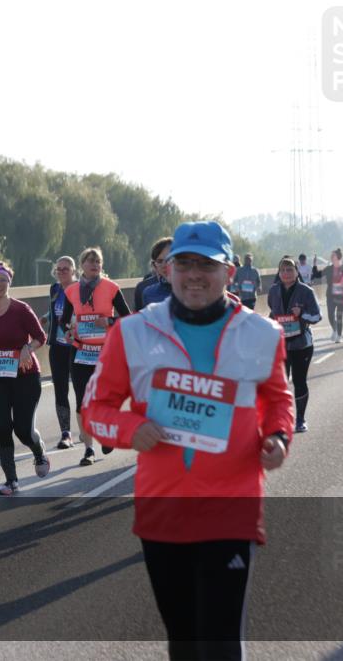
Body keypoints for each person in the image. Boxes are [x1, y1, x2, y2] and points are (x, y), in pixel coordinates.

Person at [82, 221, 293, 660]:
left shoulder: (262, 334)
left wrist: (277, 436)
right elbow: (93, 412)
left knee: (219, 640)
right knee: (183, 639)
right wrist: (129, 430)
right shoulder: (133, 333)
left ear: (229, 273)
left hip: (231, 507)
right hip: (163, 510)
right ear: (168, 270)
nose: (195, 274)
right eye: (185, 263)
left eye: (207, 264)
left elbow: (278, 397)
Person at [0, 261, 50, 496]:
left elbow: (40, 336)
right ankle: (11, 481)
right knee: (2, 426)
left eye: (3, 279)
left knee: (24, 430)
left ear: (9, 283)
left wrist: (28, 348)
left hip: (25, 375)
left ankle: (38, 452)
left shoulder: (21, 309)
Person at [59, 247, 132, 466]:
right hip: (81, 352)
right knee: (82, 403)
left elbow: (127, 318)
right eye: (90, 261)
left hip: (106, 353)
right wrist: (68, 332)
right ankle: (88, 449)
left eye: (98, 262)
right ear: (82, 265)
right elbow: (63, 321)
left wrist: (109, 322)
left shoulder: (111, 288)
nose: (94, 265)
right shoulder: (71, 291)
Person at [268, 257, 322, 433]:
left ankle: (300, 419)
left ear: (297, 272)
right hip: (280, 345)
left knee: (299, 382)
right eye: (283, 270)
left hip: (301, 345)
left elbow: (316, 316)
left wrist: (302, 314)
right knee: (280, 385)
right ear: (279, 273)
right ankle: (281, 421)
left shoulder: (306, 291)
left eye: (290, 270)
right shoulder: (274, 291)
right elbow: (272, 313)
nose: (286, 274)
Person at [45, 256, 77, 450]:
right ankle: (66, 433)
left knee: (82, 389)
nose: (62, 272)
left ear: (74, 271)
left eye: (66, 269)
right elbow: (54, 312)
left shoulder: (82, 289)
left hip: (78, 347)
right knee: (60, 390)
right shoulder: (54, 289)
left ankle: (88, 426)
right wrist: (44, 318)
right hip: (57, 347)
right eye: (59, 269)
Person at [311, 249, 343, 343]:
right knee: (330, 315)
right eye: (331, 255)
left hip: (341, 296)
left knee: (339, 316)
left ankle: (339, 336)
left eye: (333, 255)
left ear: (338, 257)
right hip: (331, 296)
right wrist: (314, 264)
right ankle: (335, 330)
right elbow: (317, 275)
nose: (331, 257)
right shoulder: (329, 269)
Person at [140, 237, 174, 309]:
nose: (164, 265)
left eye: (169, 259)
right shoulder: (148, 294)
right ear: (154, 265)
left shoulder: (192, 290)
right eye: (160, 261)